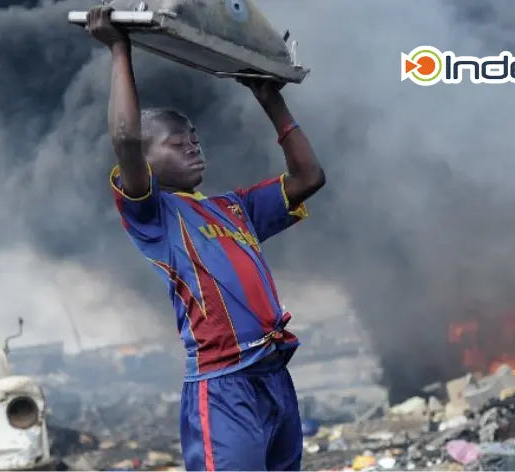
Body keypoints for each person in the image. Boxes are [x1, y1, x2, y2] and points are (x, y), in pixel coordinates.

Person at [84, 6, 327, 471]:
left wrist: (269, 97)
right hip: (223, 387)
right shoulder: (153, 213)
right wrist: (120, 47)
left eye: (195, 139)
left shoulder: (234, 207)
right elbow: (124, 137)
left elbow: (309, 176)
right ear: (147, 159)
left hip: (274, 377)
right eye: (177, 143)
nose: (193, 146)